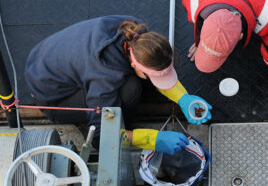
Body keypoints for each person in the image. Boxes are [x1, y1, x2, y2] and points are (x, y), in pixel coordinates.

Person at [25, 15, 211, 149]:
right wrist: (153, 139)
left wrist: (183, 98)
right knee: (130, 90)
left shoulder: (138, 33)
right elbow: (101, 138)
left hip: (45, 58)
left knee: (134, 82)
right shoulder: (105, 77)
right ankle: (125, 125)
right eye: (154, 75)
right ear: (133, 62)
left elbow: (154, 65)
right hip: (53, 98)